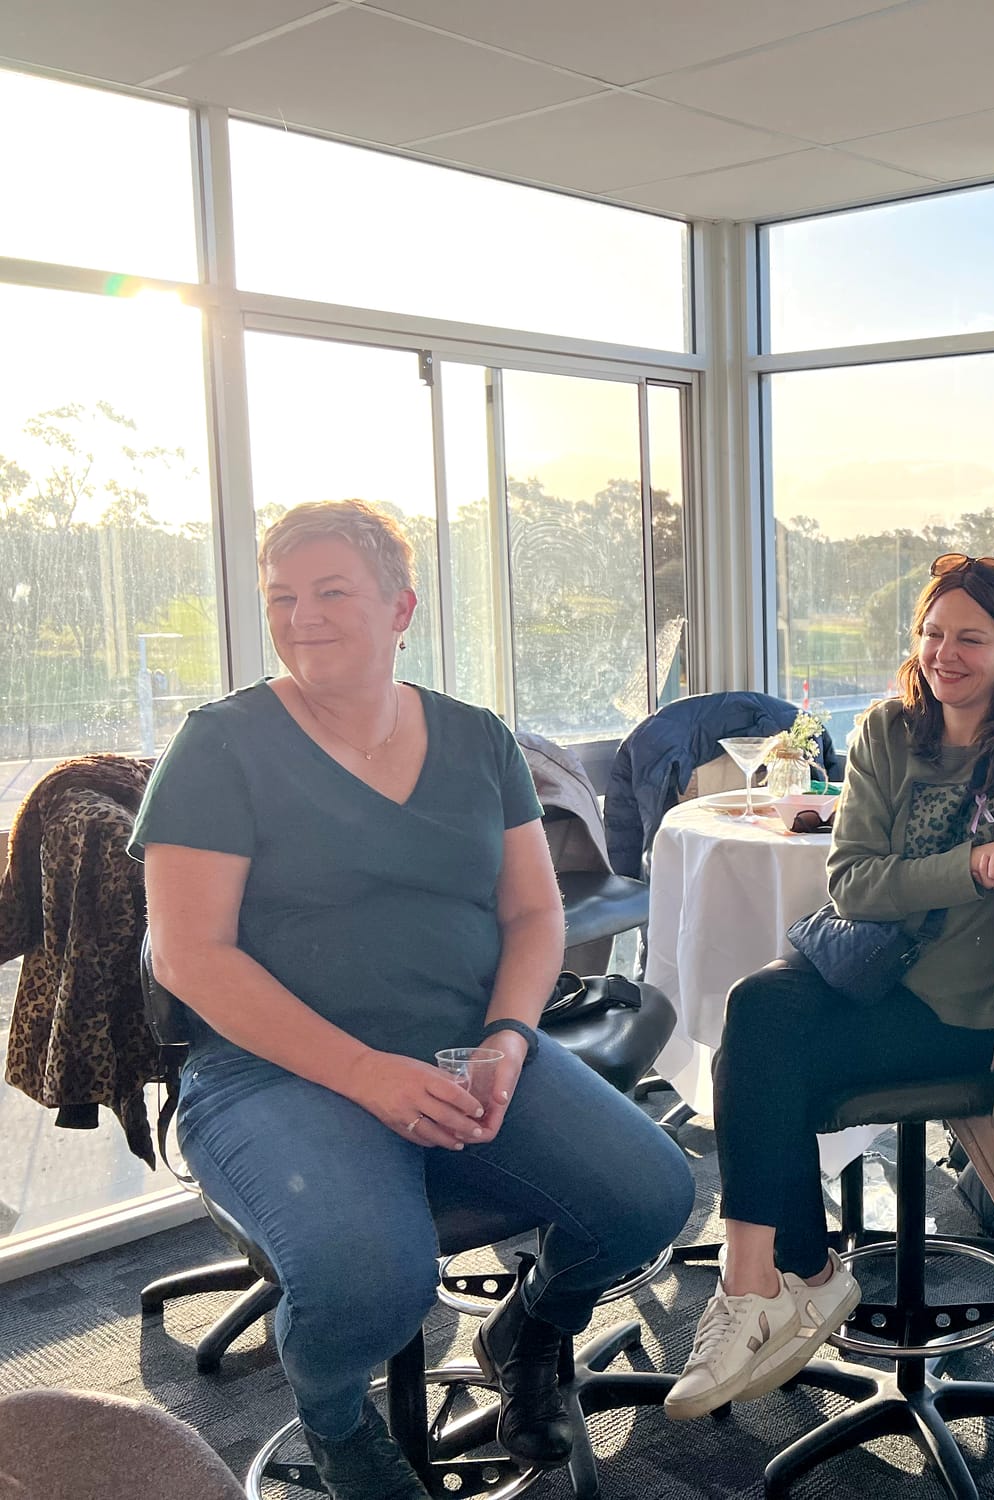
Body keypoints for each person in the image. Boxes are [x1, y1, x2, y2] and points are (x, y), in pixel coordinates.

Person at [135, 500, 694, 1500]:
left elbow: (532, 916)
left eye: (330, 591)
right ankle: (339, 1422)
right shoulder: (220, 747)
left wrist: (509, 1038)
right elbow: (188, 955)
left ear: (402, 607)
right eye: (281, 597)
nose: (301, 616)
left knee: (652, 1195)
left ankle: (531, 1331)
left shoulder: (476, 739)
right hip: (272, 1074)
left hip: (459, 1048)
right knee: (373, 1282)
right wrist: (363, 1075)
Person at [666, 551, 994, 1418]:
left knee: (768, 1067)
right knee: (755, 1014)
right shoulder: (884, 731)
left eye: (971, 638)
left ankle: (780, 1281)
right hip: (874, 970)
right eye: (933, 634)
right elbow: (856, 885)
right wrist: (977, 865)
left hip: (981, 1007)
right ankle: (772, 1278)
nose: (947, 653)